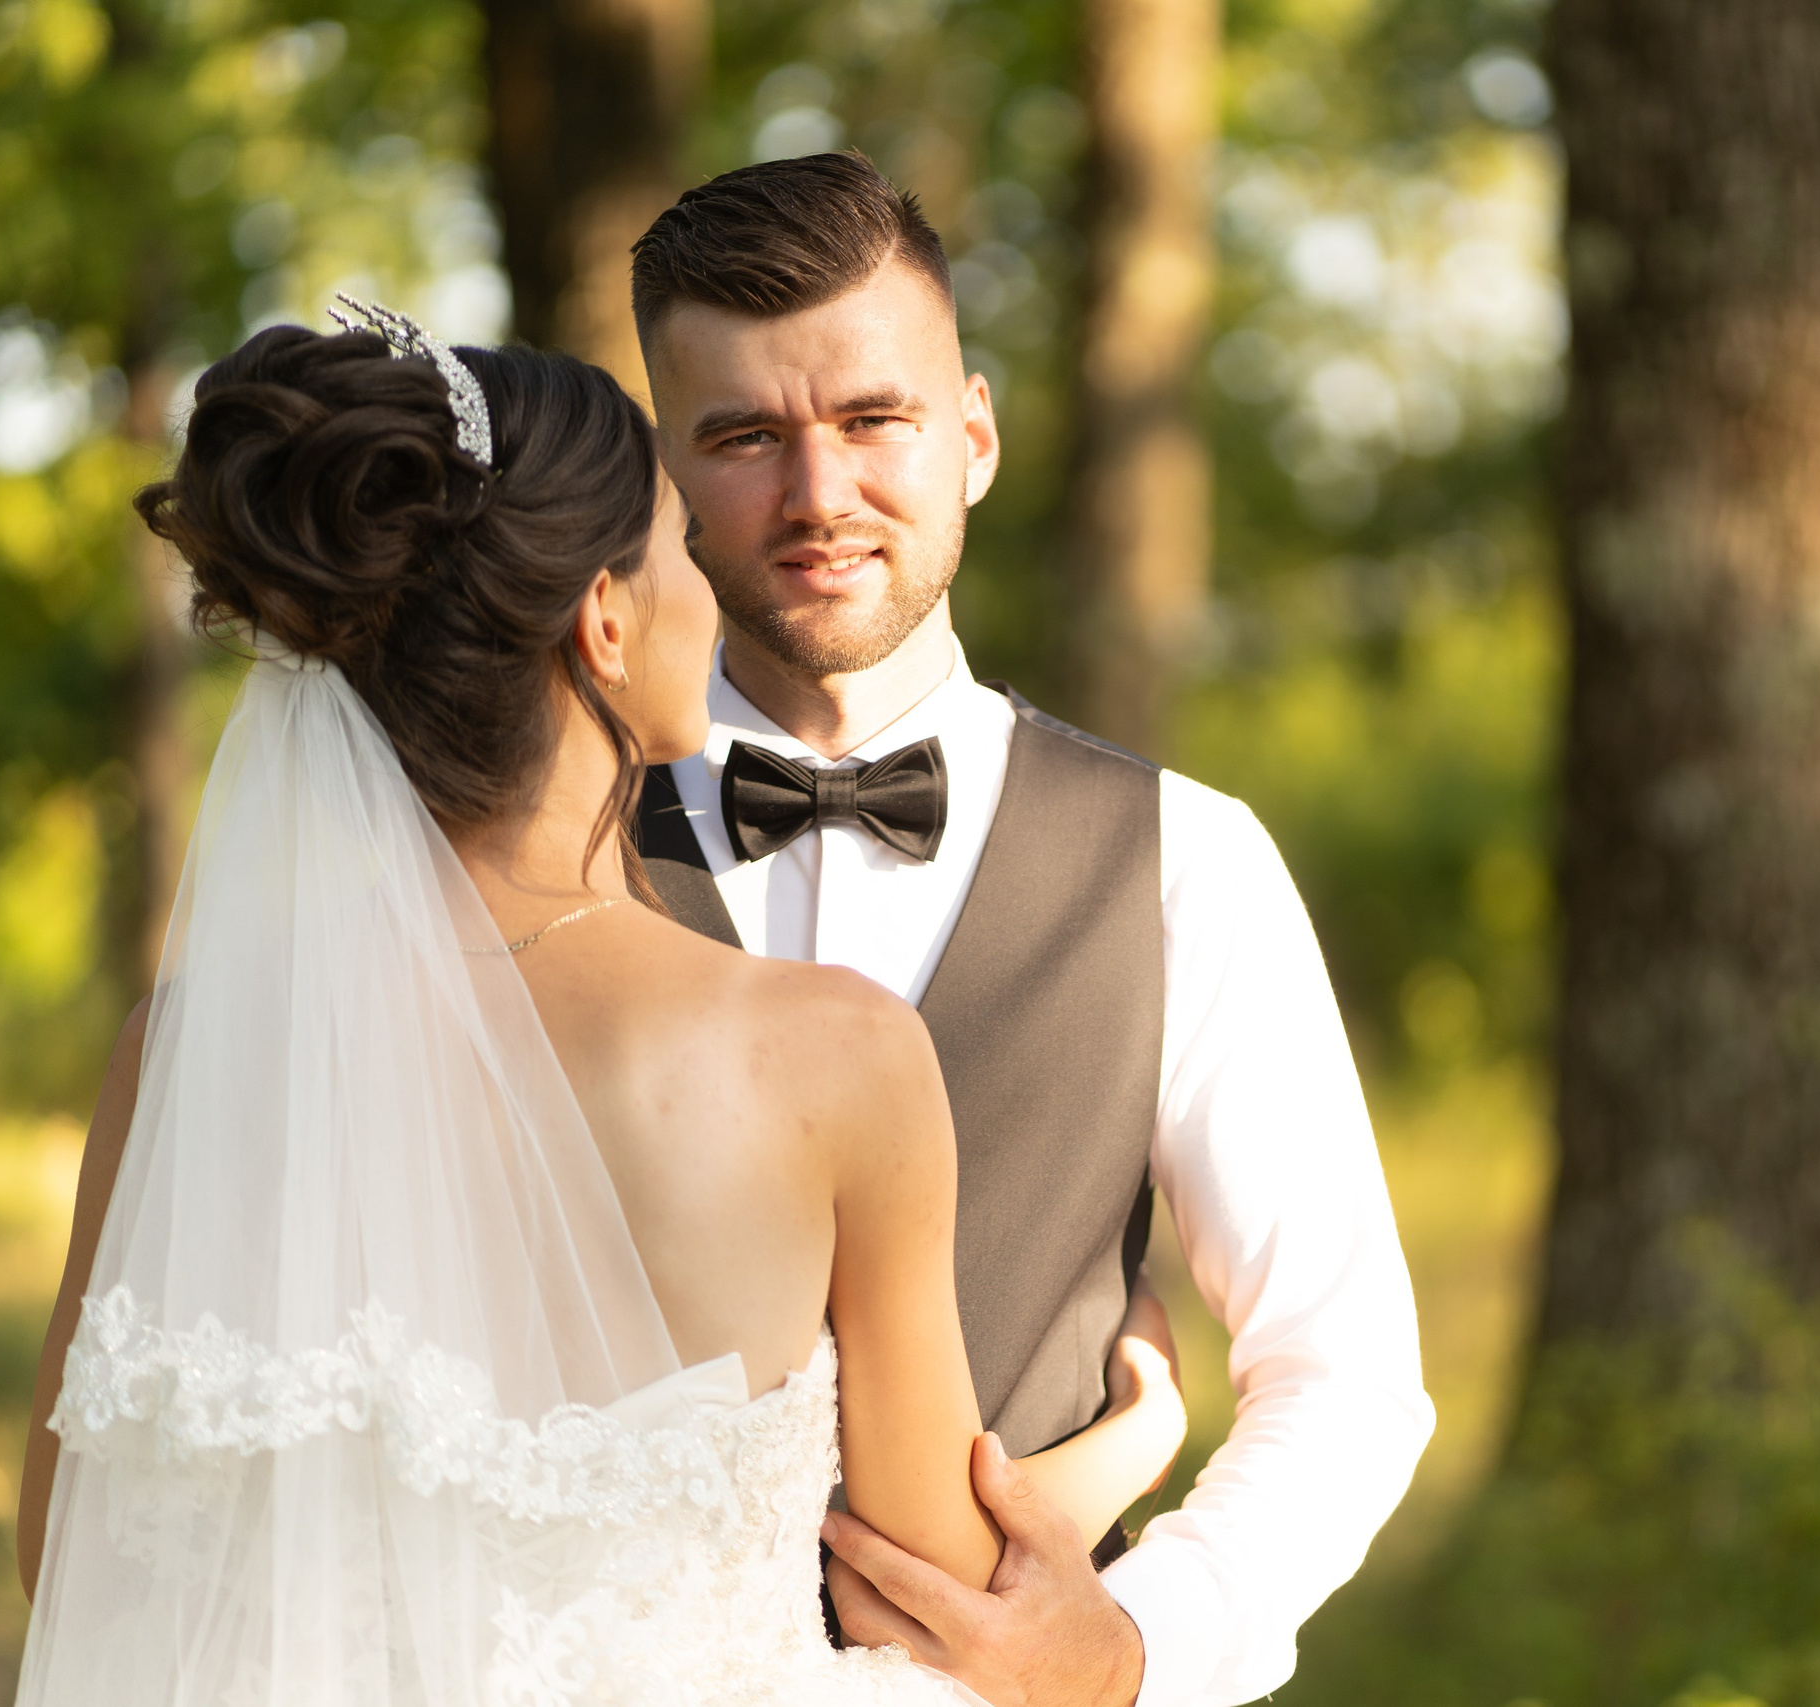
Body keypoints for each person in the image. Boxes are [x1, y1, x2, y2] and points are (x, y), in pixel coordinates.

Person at [11, 305, 1186, 1703]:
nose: (707, 584)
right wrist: (1139, 1437)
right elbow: (927, 1603)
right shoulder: (828, 1057)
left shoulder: (187, 1054)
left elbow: (65, 1549)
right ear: (606, 621)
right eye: (676, 544)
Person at [624, 152, 1437, 1707]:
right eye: (743, 438)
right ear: (667, 477)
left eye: (876, 420)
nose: (819, 495)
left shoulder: (1184, 859)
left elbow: (1348, 1379)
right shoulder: (545, 855)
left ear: (975, 435)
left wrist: (1141, 1643)